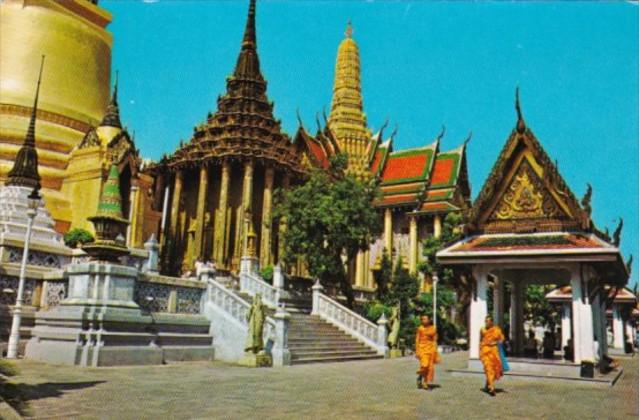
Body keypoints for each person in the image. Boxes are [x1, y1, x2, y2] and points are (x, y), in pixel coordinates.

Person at [480, 315, 505, 396]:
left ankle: (488, 384)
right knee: (488, 368)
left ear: (491, 322)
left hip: (494, 351)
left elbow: (501, 339)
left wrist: (495, 343)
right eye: (485, 321)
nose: (486, 323)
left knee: (494, 369)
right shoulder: (482, 329)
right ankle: (492, 388)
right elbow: (481, 340)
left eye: (488, 321)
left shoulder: (496, 330)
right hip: (485, 350)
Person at [415, 314, 440, 390]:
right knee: (424, 365)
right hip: (422, 349)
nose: (423, 321)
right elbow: (417, 340)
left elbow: (435, 340)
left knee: (429, 367)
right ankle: (420, 376)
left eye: (425, 319)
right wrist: (417, 350)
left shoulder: (433, 328)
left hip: (430, 349)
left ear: (429, 320)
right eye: (422, 319)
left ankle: (425, 383)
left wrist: (435, 349)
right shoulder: (420, 329)